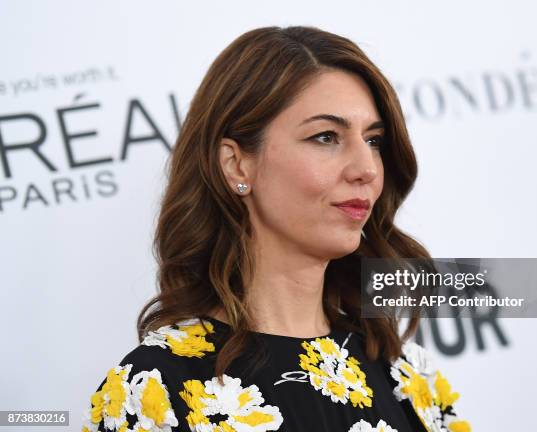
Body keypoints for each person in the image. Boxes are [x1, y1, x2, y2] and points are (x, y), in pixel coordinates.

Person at [82, 25, 471, 432]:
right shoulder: (153, 390)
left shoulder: (404, 375)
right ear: (236, 164)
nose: (367, 169)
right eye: (326, 137)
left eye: (373, 140)